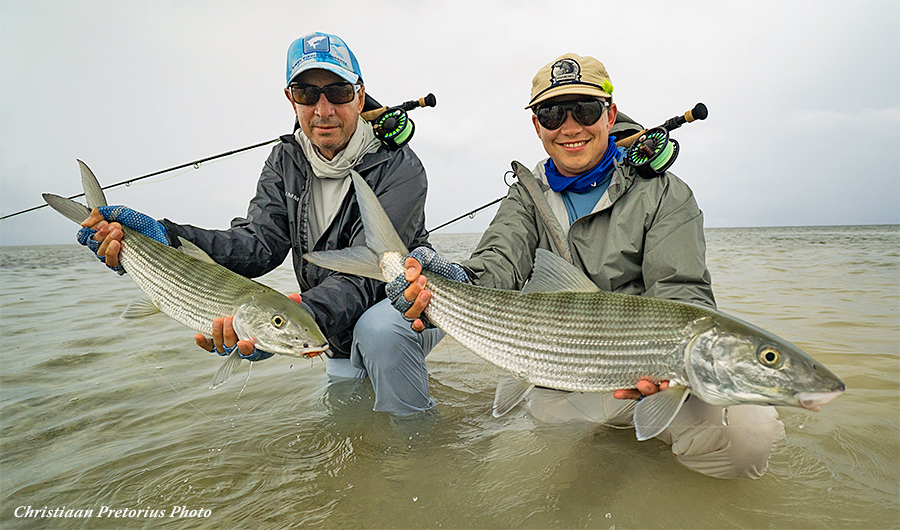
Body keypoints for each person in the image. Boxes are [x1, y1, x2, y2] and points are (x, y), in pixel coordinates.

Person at [390, 53, 785, 479]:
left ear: (609, 114)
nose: (571, 126)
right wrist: (443, 282)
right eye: (553, 113)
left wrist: (670, 362)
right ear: (537, 126)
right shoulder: (526, 198)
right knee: (507, 487)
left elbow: (683, 293)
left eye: (586, 109)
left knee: (751, 435)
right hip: (557, 378)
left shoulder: (664, 194)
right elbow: (493, 267)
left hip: (651, 376)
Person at [79, 32, 445, 416]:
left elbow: (369, 275)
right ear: (291, 98)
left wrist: (291, 323)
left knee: (380, 336)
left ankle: (418, 454)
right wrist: (167, 239)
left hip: (402, 306)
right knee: (347, 419)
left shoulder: (400, 166)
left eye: (337, 92)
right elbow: (258, 244)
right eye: (306, 93)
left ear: (359, 93)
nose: (323, 110)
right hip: (328, 327)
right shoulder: (285, 161)